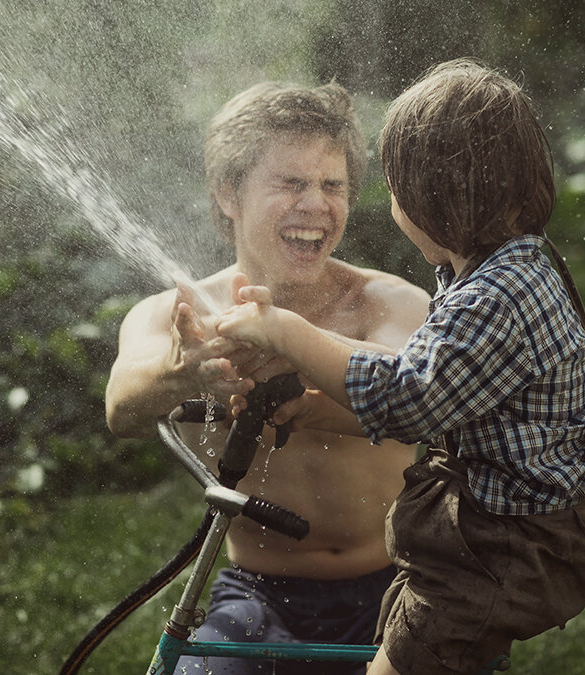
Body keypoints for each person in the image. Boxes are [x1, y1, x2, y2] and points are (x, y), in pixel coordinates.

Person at [216, 59, 585, 674]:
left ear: (440, 198)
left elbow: (410, 395)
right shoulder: (500, 271)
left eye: (398, 189)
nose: (393, 204)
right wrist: (320, 404)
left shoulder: (497, 298)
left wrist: (286, 332)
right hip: (480, 546)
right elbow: (450, 400)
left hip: (491, 559)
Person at [104, 80, 431, 674]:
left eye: (333, 185)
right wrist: (183, 371)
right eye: (291, 183)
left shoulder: (391, 303)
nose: (317, 204)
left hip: (402, 585)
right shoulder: (178, 314)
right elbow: (121, 408)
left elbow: (410, 386)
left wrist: (292, 344)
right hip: (261, 593)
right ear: (230, 193)